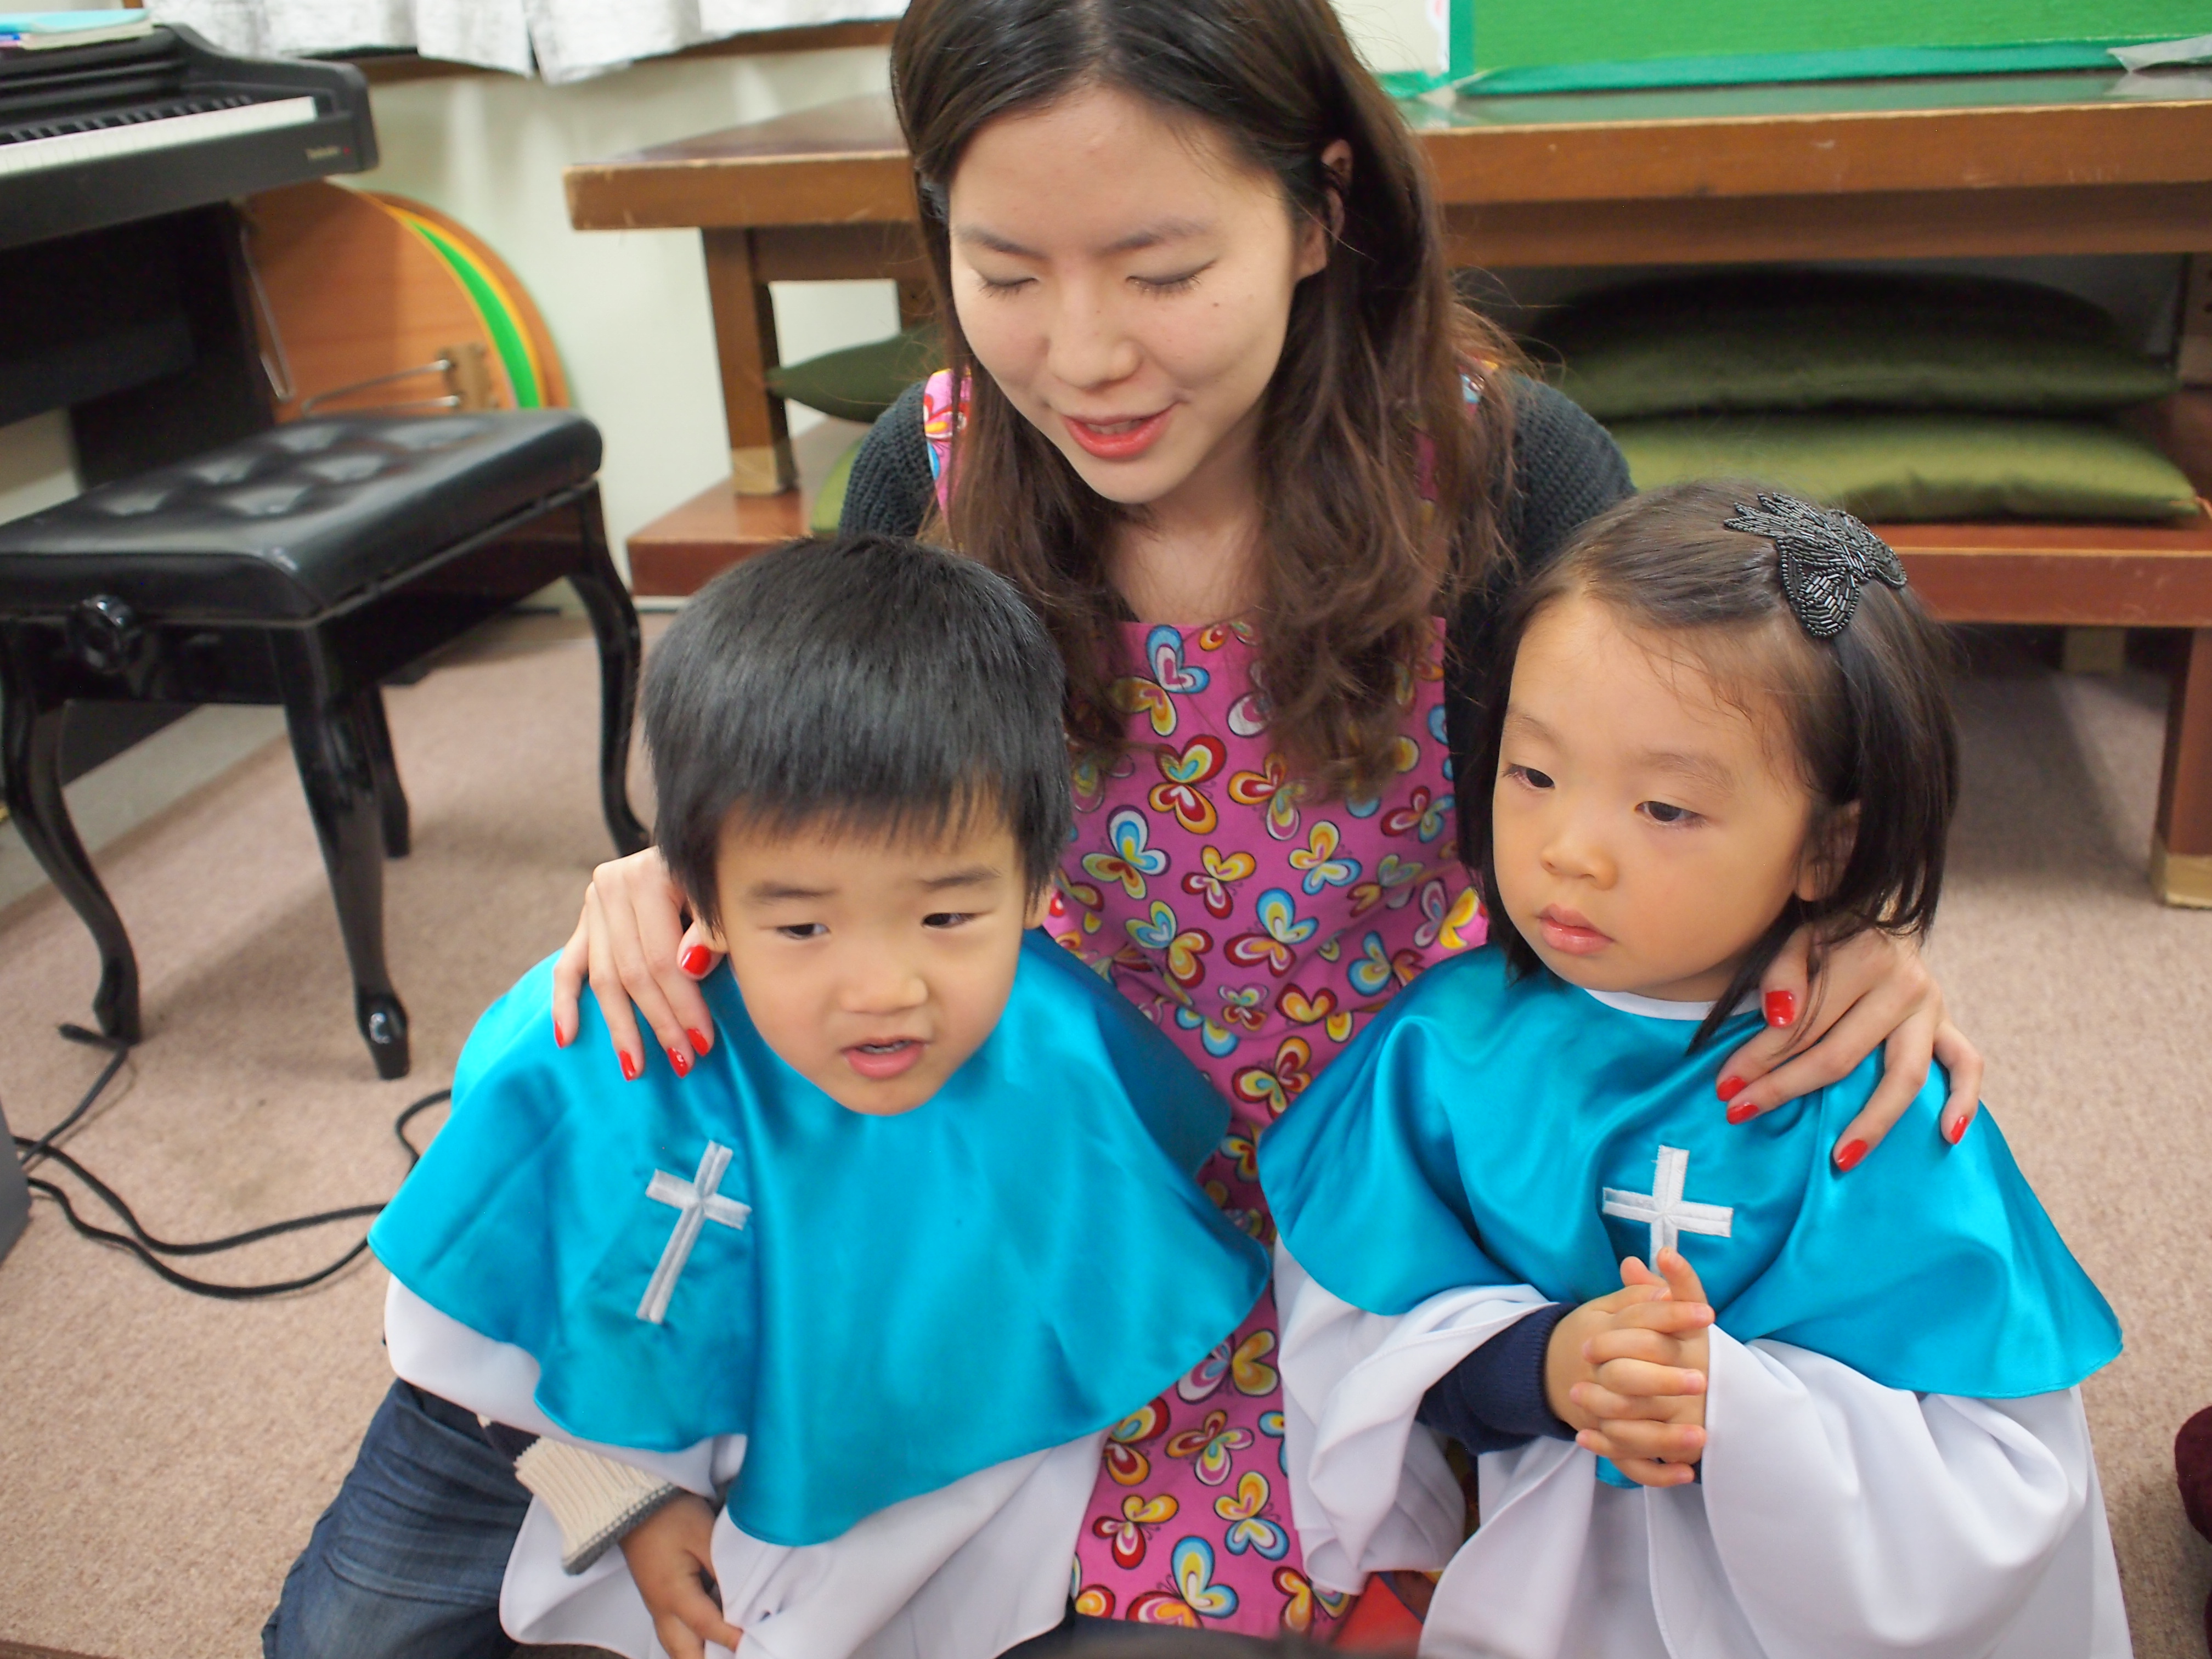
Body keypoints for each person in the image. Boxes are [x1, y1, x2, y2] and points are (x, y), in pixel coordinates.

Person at [551, 0, 1983, 1634]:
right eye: (1006, 273)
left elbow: (1686, 762)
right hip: (1064, 1140)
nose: (1083, 356)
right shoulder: (929, 471)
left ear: (1320, 209)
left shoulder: (1510, 474)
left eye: (1163, 274)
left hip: (1405, 1169)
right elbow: (833, 780)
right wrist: (688, 865)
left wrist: (1827, 923)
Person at [265, 536, 1268, 1659]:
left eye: (947, 916)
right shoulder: (601, 1055)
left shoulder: (1058, 1063)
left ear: (1038, 884)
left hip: (836, 1462)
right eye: (802, 925)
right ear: (696, 895)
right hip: (521, 1431)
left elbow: (1048, 1324)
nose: (884, 991)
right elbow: (483, 1339)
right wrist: (627, 1495)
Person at [1262, 483, 2126, 1657]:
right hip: (1520, 1552)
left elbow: (1998, 1478)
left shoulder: (1866, 1096)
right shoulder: (1442, 1047)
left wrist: (1736, 1408)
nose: (1572, 851)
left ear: (1828, 845)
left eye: (1665, 808)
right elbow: (1355, 1336)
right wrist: (1539, 1368)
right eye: (1534, 775)